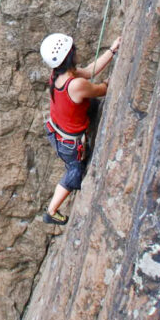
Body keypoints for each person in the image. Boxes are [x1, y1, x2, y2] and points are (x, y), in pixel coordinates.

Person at [39, 32, 121, 225]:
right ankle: (52, 210)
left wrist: (112, 50)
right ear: (69, 54)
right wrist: (111, 79)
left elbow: (90, 71)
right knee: (75, 170)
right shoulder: (75, 85)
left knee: (88, 105)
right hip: (67, 142)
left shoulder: (59, 75)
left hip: (56, 130)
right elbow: (102, 89)